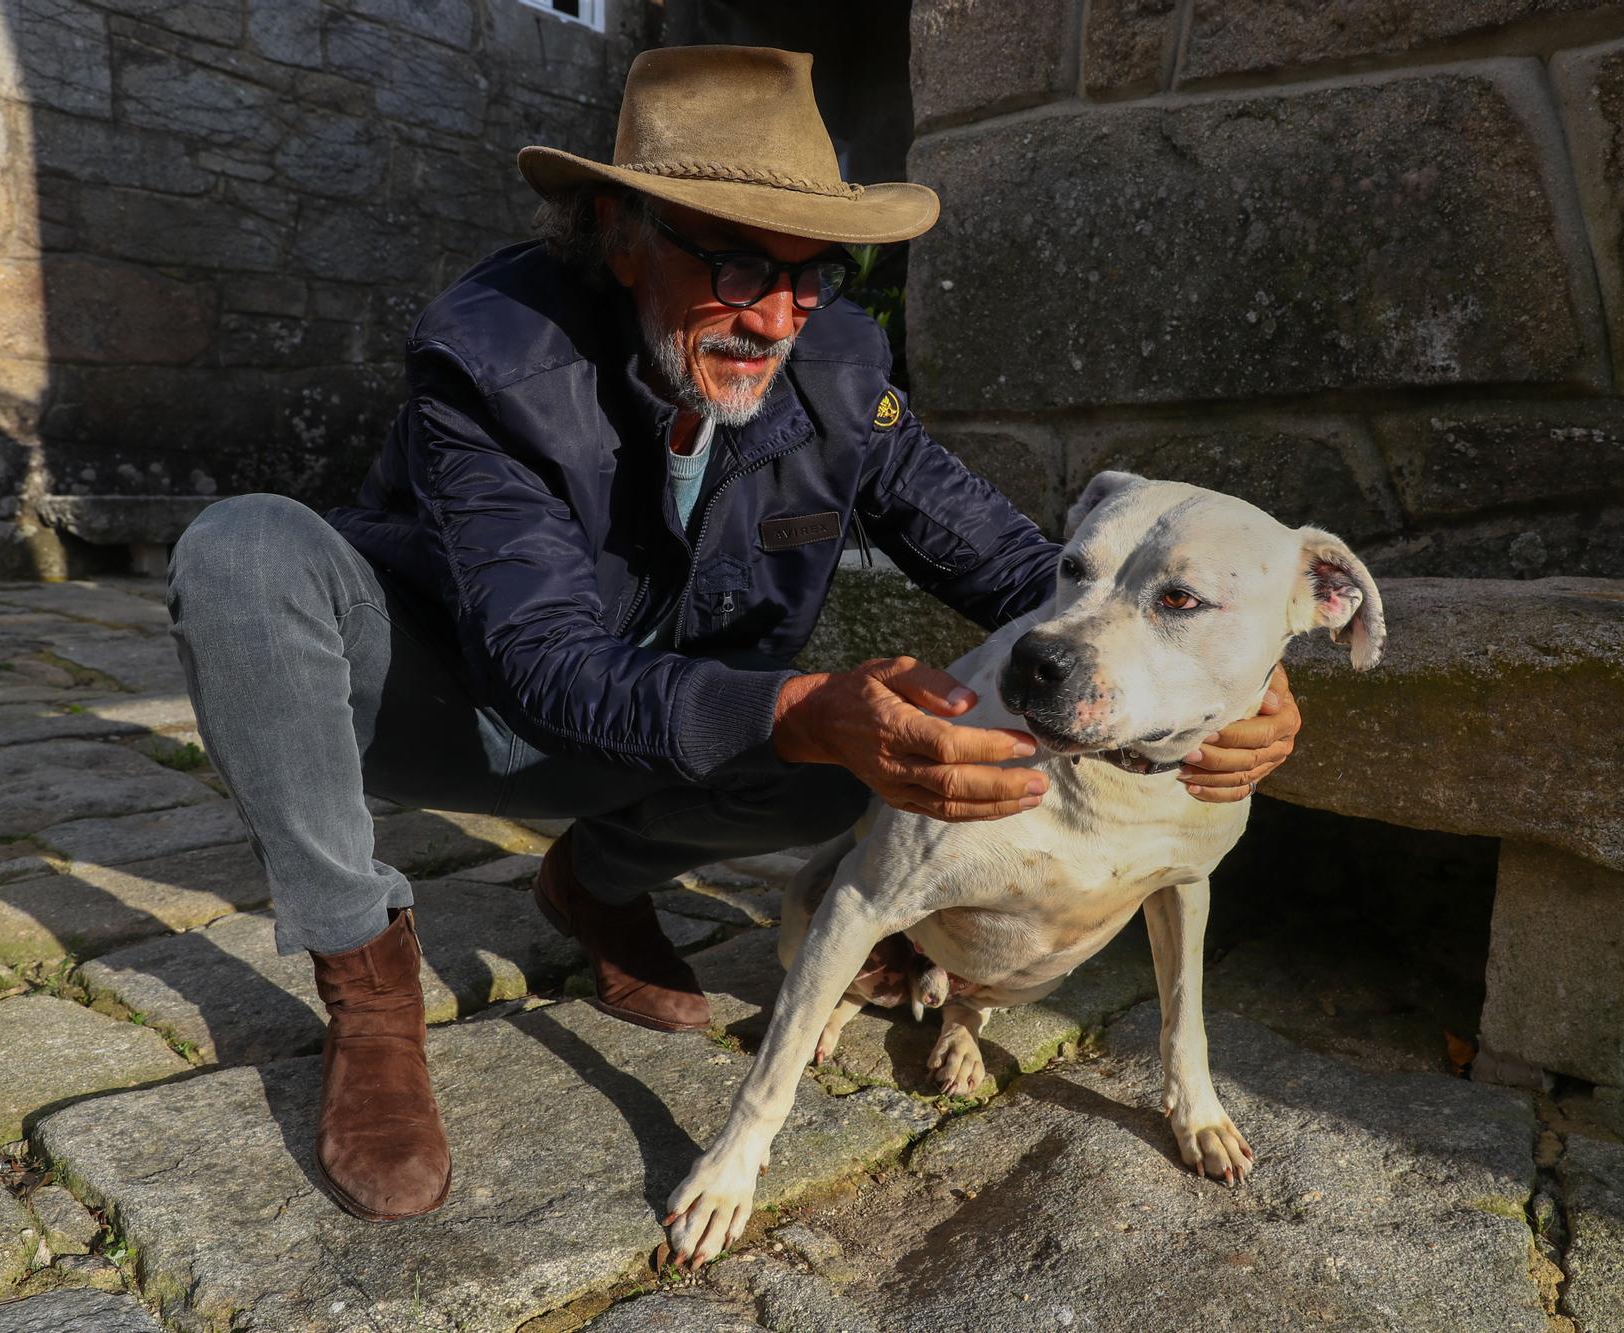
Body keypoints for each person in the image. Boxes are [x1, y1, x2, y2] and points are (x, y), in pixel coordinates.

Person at [164, 45, 1302, 1225]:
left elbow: (1012, 564)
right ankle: (368, 986)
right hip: (453, 703)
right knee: (243, 553)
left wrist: (1233, 675)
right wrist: (796, 709)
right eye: (739, 262)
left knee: (844, 783)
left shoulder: (838, 366)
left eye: (815, 275)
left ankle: (593, 884)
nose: (775, 316)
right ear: (618, 231)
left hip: (649, 721)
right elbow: (538, 659)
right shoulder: (491, 357)